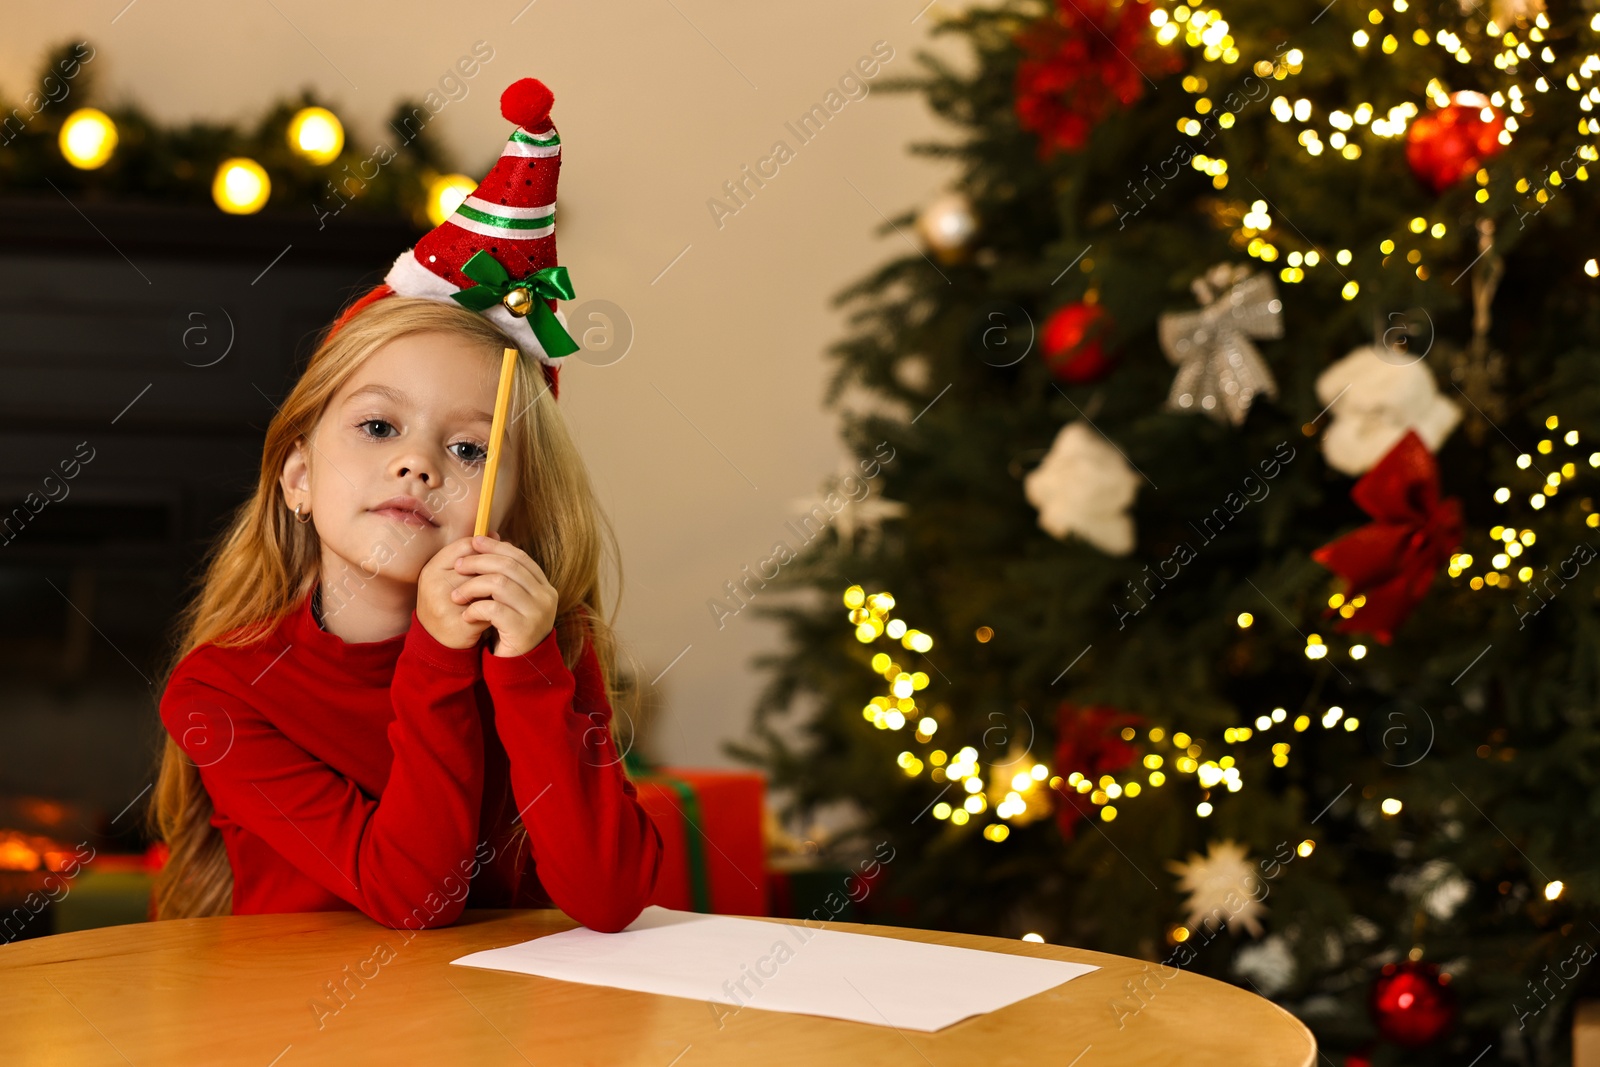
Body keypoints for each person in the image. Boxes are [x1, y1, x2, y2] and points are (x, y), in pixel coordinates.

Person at [146, 76, 662, 934]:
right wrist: (436, 655)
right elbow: (415, 897)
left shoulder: (547, 645)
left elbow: (611, 899)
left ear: (516, 512)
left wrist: (532, 673)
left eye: (469, 449)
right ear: (298, 475)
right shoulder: (224, 691)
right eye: (380, 426)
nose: (419, 465)